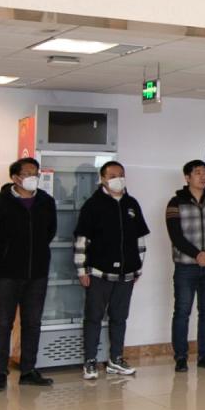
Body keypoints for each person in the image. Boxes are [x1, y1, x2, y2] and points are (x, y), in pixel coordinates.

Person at [0, 157, 57, 391]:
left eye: (36, 172)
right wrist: (4, 255)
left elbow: (50, 231)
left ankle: (28, 370)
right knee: (3, 323)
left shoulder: (46, 202)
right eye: (27, 173)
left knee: (32, 322)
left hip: (37, 273)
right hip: (7, 275)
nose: (33, 177)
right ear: (15, 178)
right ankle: (0, 374)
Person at [74, 160, 148, 381]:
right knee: (94, 317)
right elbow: (81, 240)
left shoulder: (132, 204)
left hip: (126, 274)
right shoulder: (93, 205)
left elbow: (140, 239)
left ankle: (116, 359)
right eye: (113, 175)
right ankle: (90, 361)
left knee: (119, 317)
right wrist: (81, 270)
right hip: (99, 273)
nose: (118, 179)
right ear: (103, 179)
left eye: (121, 175)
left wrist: (138, 267)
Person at [165, 158, 205, 371]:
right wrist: (196, 254)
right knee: (182, 311)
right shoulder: (175, 202)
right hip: (185, 266)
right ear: (187, 177)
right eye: (198, 173)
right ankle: (181, 357)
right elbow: (175, 235)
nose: (203, 177)